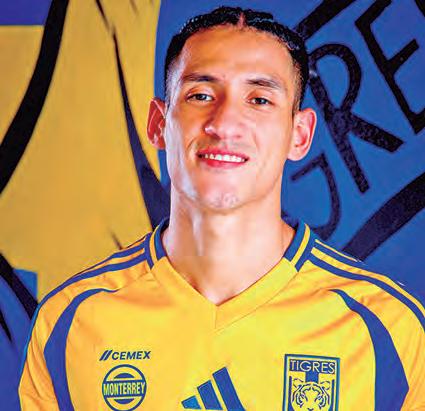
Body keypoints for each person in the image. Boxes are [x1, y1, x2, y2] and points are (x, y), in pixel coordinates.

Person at [19, 6, 424, 410]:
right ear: (159, 124)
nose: (225, 122)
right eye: (201, 95)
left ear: (299, 135)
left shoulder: (389, 330)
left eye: (259, 99)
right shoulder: (71, 322)